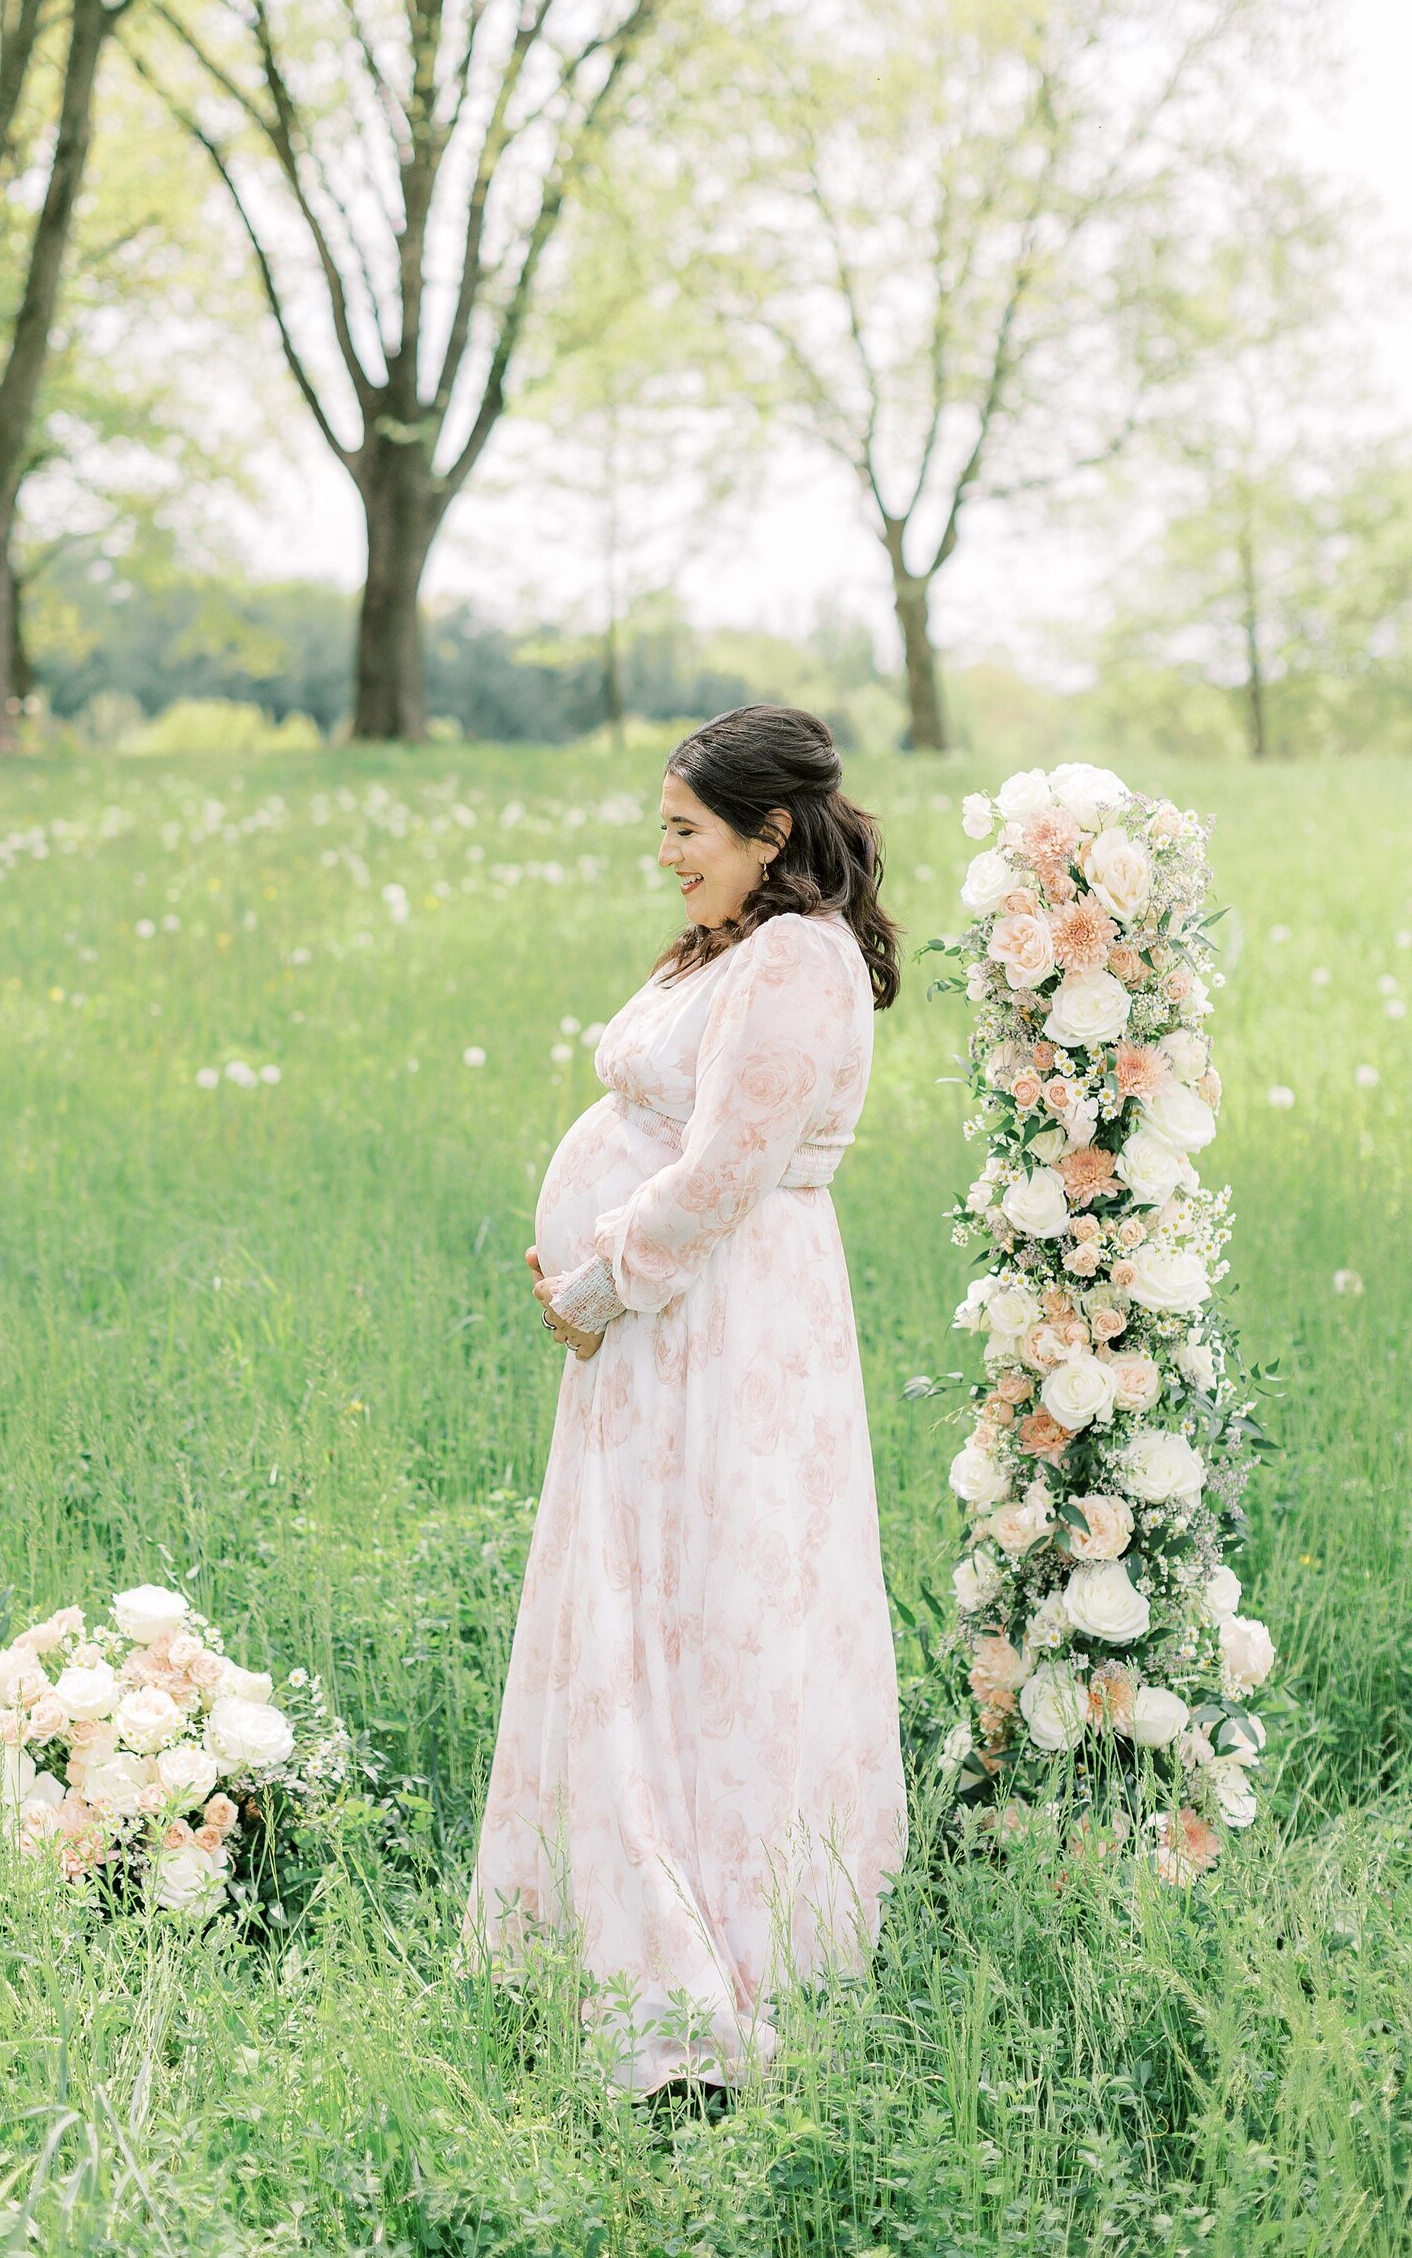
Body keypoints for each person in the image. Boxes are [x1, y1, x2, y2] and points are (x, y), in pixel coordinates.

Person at [461, 703, 908, 2097]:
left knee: (717, 1605)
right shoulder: (736, 947)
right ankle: (600, 1905)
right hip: (669, 1325)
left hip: (717, 1323)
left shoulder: (798, 963)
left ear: (772, 833)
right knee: (642, 1601)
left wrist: (597, 1283)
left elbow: (724, 1171)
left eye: (686, 829)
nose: (665, 852)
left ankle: (718, 1925)